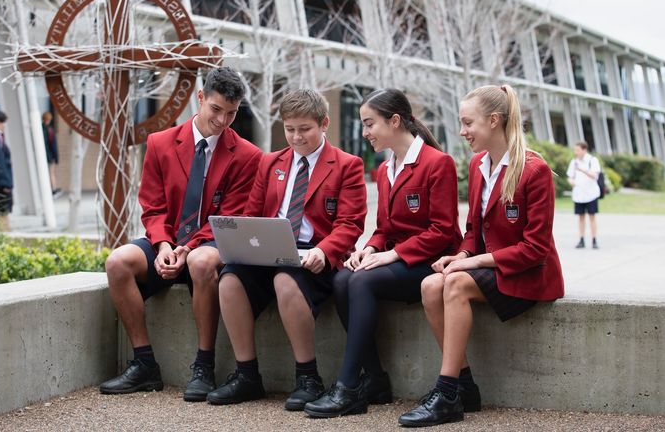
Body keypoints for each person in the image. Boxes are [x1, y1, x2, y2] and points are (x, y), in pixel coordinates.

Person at [398, 84, 565, 427]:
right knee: (431, 285)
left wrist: (469, 263)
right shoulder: (477, 165)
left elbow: (536, 249)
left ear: (493, 121)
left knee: (456, 283)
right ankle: (465, 387)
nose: (462, 131)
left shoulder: (534, 170)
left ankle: (446, 393)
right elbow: (473, 229)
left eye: (468, 123)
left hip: (528, 275)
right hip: (492, 270)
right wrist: (459, 254)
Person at [99, 67, 262, 400]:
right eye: (216, 109)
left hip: (210, 242)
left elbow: (228, 216)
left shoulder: (248, 156)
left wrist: (185, 250)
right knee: (117, 262)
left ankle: (203, 365)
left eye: (231, 113)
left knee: (201, 263)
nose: (222, 120)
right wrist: (161, 246)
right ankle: (145, 364)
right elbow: (152, 205)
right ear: (200, 99)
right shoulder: (160, 143)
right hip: (165, 239)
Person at [304, 88, 463, 418]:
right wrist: (370, 249)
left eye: (369, 124)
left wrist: (391, 255)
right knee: (344, 276)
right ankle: (375, 380)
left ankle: (348, 387)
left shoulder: (438, 163)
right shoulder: (385, 169)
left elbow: (443, 231)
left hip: (432, 263)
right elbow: (384, 228)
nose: (365, 133)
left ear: (394, 121)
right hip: (399, 260)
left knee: (361, 283)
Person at [207, 89, 367, 410]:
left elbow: (350, 225)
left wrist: (324, 251)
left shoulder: (347, 165)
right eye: (289, 129)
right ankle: (247, 374)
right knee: (230, 279)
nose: (296, 137)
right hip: (273, 247)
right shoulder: (270, 163)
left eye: (304, 129)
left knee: (285, 279)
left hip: (315, 256)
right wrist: (242, 242)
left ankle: (308, 377)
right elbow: (252, 215)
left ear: (324, 123)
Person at [567, 141, 601, 249]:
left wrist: (582, 169)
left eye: (578, 150)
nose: (576, 152)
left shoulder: (592, 160)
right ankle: (581, 239)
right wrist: (571, 181)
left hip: (591, 194)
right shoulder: (574, 162)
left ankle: (594, 239)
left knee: (592, 217)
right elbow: (570, 176)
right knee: (581, 217)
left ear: (584, 150)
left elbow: (595, 175)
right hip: (579, 194)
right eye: (575, 150)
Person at [41, 111, 61, 197]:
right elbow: (52, 145)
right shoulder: (48, 130)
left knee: (50, 172)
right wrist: (54, 157)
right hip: (50, 155)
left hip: (47, 155)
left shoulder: (42, 128)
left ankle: (52, 188)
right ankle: (53, 189)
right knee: (51, 173)